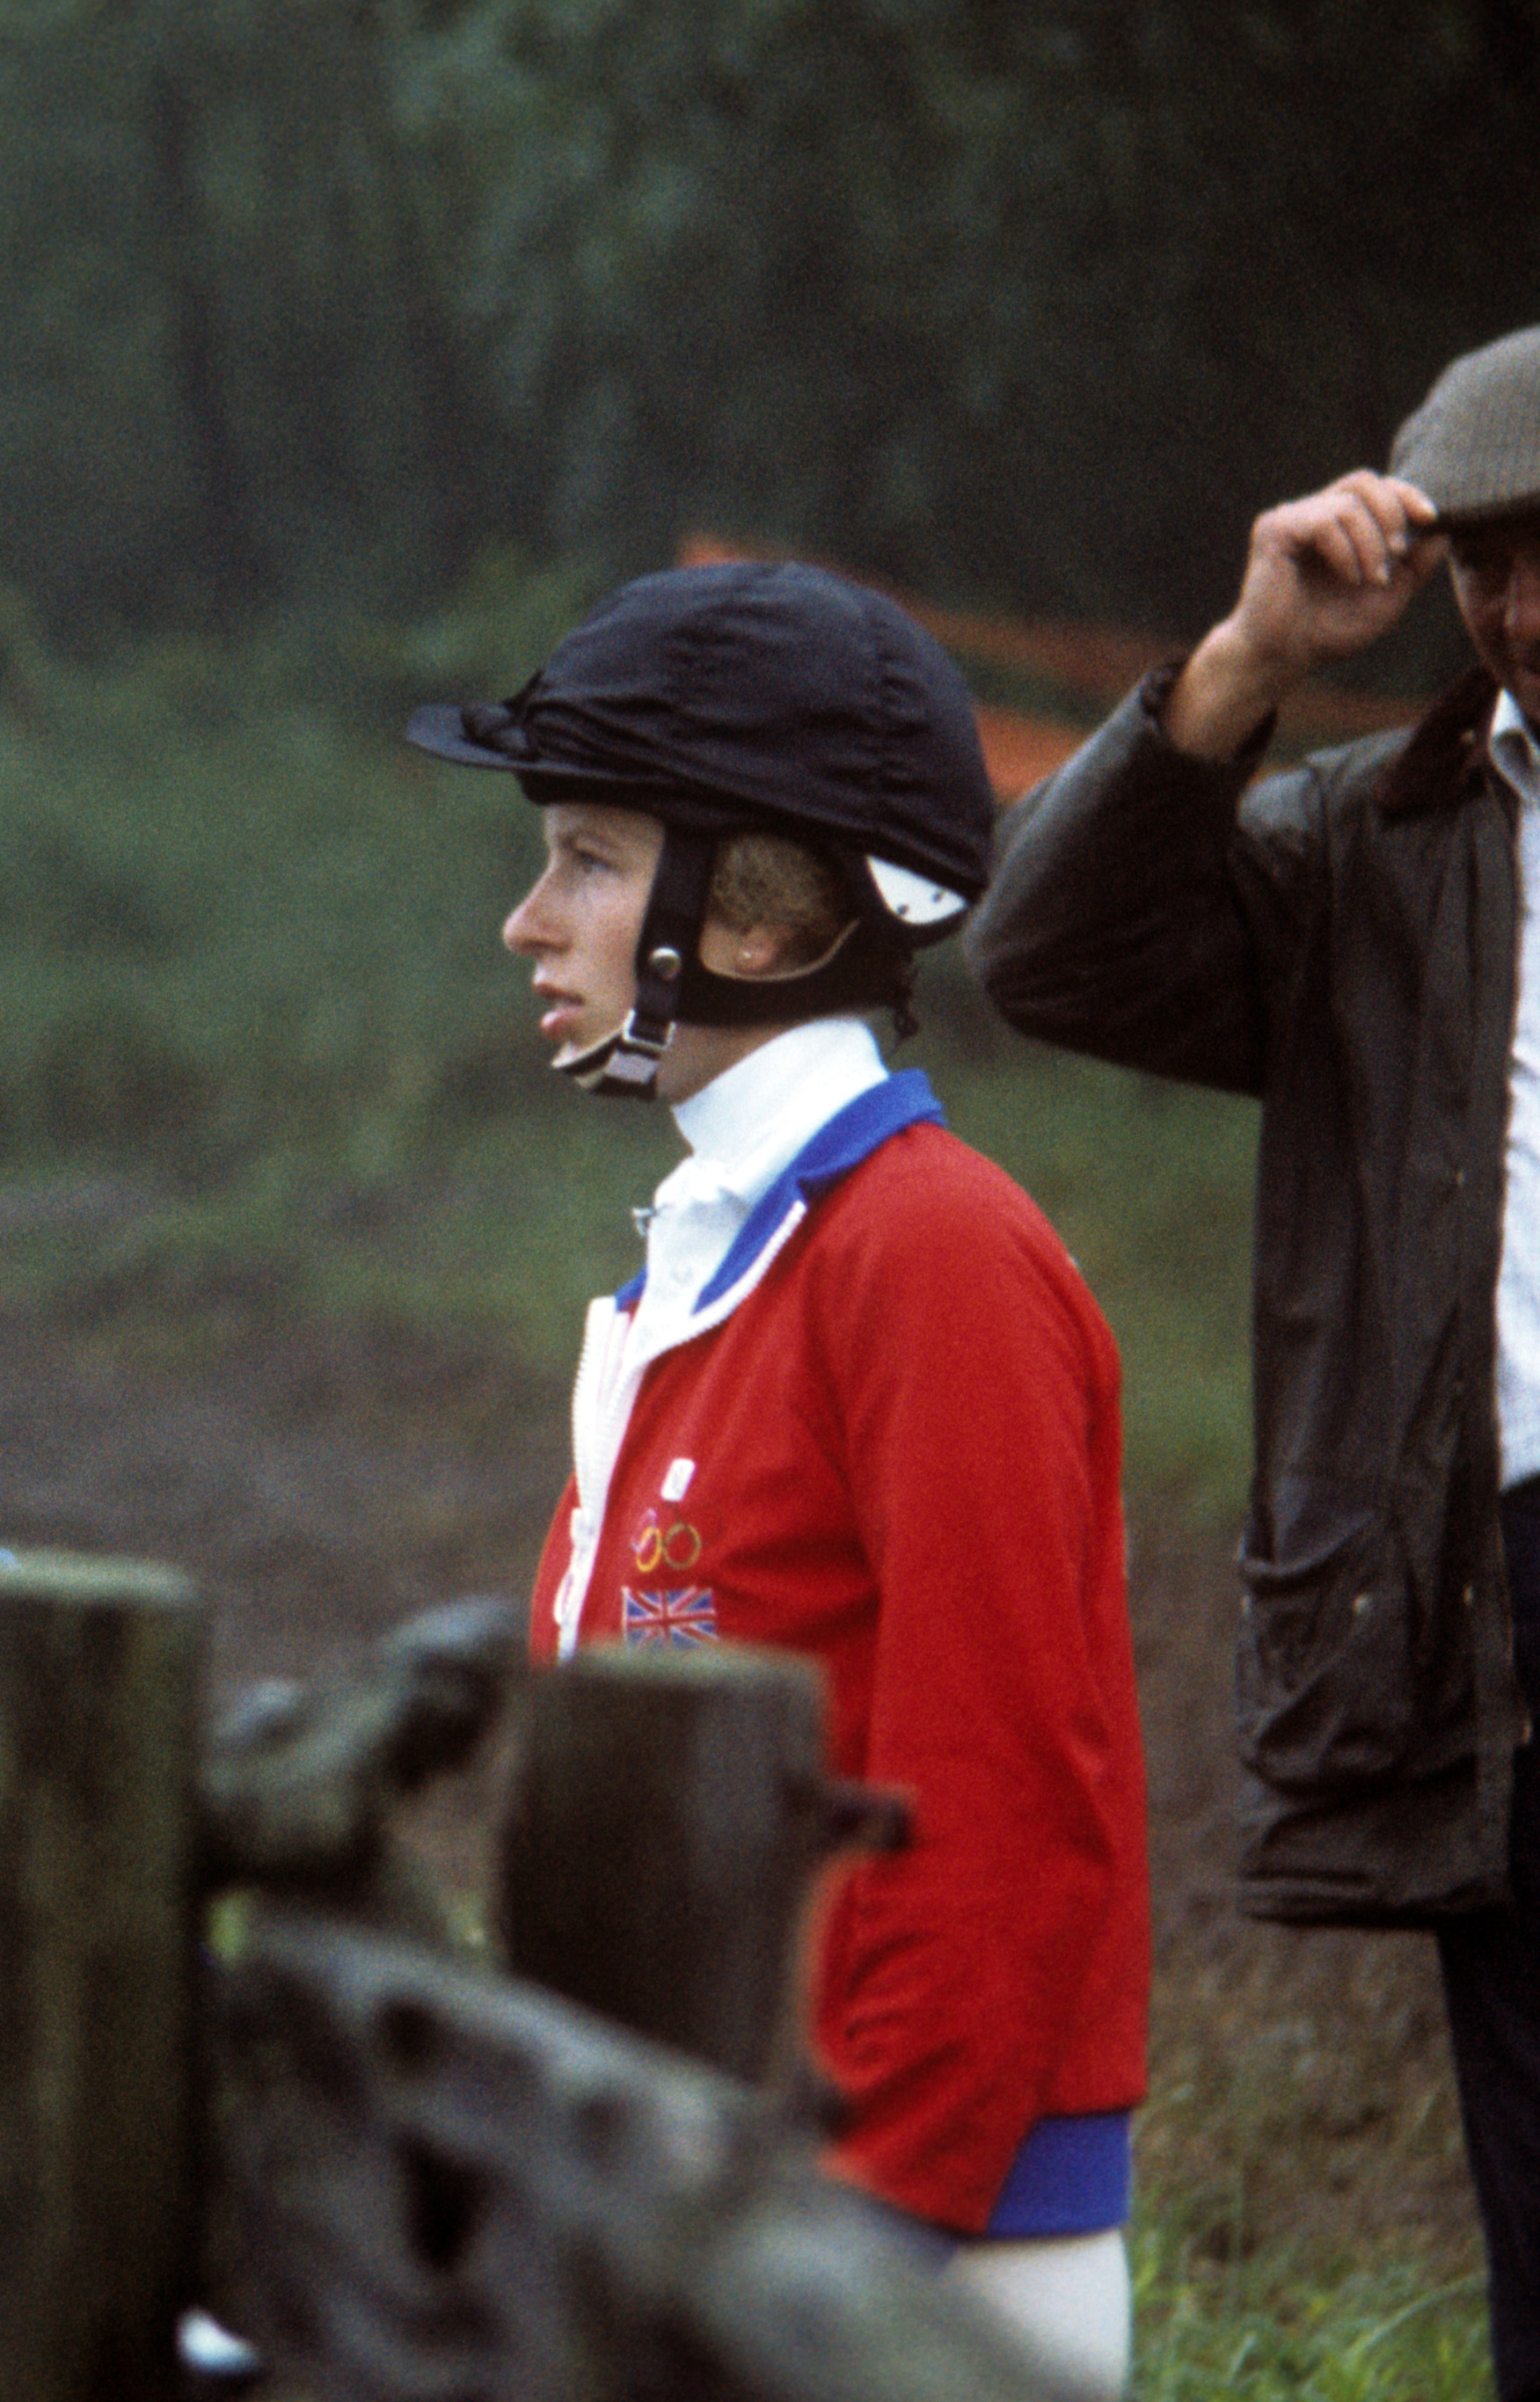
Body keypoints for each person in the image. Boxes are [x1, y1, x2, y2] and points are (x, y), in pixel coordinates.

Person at [409, 560, 1152, 2393]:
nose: (525, 920)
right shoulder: (715, 1248)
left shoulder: (928, 1256)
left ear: (748, 918)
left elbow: (1001, 1799)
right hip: (698, 2183)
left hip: (899, 2252)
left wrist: (838, 2239)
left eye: (583, 858)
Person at [971, 322, 1540, 2399]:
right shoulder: (1359, 851)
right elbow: (1045, 954)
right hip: (1493, 1596)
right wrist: (1244, 661)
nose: (1526, 606)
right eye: (1489, 557)